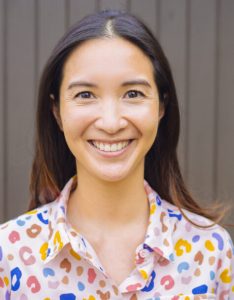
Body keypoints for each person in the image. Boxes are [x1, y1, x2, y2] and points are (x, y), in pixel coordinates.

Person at [0, 9, 233, 300]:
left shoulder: (210, 251)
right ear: (57, 112)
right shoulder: (9, 256)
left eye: (133, 93)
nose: (111, 123)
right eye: (85, 95)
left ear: (161, 106)